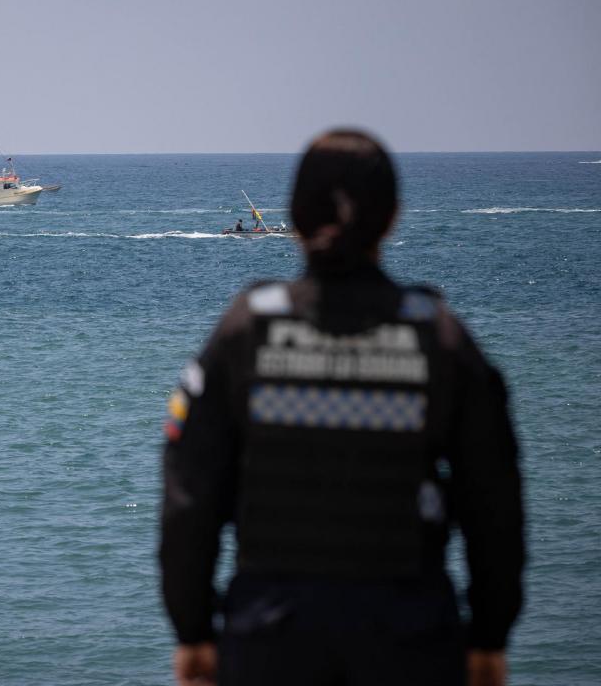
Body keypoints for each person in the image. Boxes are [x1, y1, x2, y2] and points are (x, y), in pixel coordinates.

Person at [159, 129, 523, 686]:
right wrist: (490, 638)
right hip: (411, 641)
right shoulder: (442, 339)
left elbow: (189, 498)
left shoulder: (245, 332)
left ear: (297, 220)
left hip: (270, 642)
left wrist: (192, 631)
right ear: (393, 217)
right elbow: (494, 503)